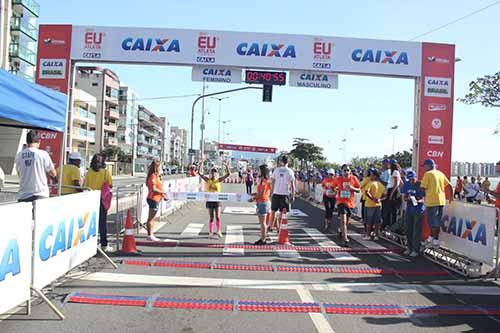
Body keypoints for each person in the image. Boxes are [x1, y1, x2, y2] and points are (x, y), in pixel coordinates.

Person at [15, 130, 56, 202]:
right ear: (39, 141)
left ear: (27, 142)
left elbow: (19, 173)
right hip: (40, 194)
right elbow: (53, 173)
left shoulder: (19, 155)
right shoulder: (43, 154)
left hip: (23, 195)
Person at [420, 159, 453, 249]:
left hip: (432, 201)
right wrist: (451, 197)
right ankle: (431, 239)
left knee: (433, 223)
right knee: (436, 222)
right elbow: (449, 185)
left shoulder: (427, 174)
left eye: (424, 166)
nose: (424, 168)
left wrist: (420, 193)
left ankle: (435, 241)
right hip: (441, 201)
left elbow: (422, 188)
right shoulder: (440, 173)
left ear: (429, 166)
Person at [84, 153, 113, 252]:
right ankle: (104, 245)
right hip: (101, 199)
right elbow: (110, 185)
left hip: (90, 198)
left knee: (90, 221)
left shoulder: (89, 172)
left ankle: (90, 243)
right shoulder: (105, 172)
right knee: (102, 223)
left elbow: (85, 185)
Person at [198, 160, 230, 238]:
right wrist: (200, 164)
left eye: (215, 172)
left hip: (217, 201)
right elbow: (199, 174)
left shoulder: (218, 180)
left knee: (218, 217)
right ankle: (210, 232)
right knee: (211, 217)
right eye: (212, 172)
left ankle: (218, 231)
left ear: (217, 173)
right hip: (209, 201)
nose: (213, 173)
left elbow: (228, 174)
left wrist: (226, 165)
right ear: (210, 173)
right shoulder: (207, 180)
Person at [333, 164, 360, 245]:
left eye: (347, 170)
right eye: (344, 170)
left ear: (350, 171)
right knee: (343, 221)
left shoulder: (353, 178)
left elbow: (358, 189)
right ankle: (345, 238)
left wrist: (352, 188)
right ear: (341, 172)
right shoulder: (338, 179)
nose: (346, 172)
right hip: (341, 202)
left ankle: (341, 230)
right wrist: (335, 190)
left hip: (350, 202)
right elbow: (333, 187)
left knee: (346, 221)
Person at [401, 170, 425, 257]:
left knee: (416, 231)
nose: (411, 181)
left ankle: (415, 249)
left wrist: (418, 200)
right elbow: (404, 197)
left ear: (416, 177)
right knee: (408, 229)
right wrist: (408, 198)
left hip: (418, 210)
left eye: (413, 179)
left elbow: (424, 199)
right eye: (410, 179)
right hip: (409, 209)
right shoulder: (406, 184)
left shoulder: (421, 184)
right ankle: (409, 247)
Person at [269, 155, 295, 232]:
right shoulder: (290, 171)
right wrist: (293, 195)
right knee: (282, 212)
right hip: (285, 194)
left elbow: (272, 182)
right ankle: (279, 228)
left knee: (273, 211)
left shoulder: (276, 170)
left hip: (276, 193)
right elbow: (293, 185)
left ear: (281, 161)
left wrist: (271, 193)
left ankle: (271, 226)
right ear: (288, 162)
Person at [145, 159, 167, 241]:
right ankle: (150, 235)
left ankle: (151, 234)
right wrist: (162, 192)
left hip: (156, 198)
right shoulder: (153, 176)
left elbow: (158, 187)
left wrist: (163, 194)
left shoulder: (156, 176)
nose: (161, 168)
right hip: (153, 198)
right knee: (151, 218)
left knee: (152, 218)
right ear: (157, 167)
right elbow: (153, 188)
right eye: (160, 167)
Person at [251, 164, 271, 245]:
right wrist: (254, 194)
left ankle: (263, 239)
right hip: (262, 201)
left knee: (263, 223)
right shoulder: (264, 180)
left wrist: (253, 198)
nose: (257, 172)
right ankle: (263, 238)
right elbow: (260, 192)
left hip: (263, 202)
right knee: (262, 222)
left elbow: (262, 193)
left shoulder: (264, 181)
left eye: (259, 170)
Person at [363, 169, 385, 240]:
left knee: (369, 221)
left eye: (372, 175)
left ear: (375, 176)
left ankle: (368, 235)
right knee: (377, 221)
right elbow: (385, 196)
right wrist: (379, 199)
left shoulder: (371, 183)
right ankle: (376, 235)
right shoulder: (381, 185)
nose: (370, 176)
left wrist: (372, 198)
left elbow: (366, 192)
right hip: (378, 205)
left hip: (369, 204)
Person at [382, 160, 402, 230]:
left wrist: (391, 194)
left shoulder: (395, 172)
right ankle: (389, 226)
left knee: (393, 211)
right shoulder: (394, 172)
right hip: (392, 190)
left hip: (394, 191)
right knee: (390, 211)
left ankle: (393, 227)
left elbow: (396, 184)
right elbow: (401, 183)